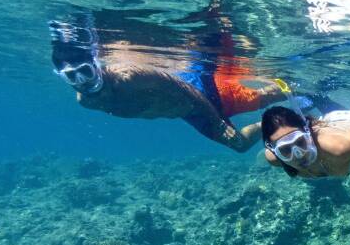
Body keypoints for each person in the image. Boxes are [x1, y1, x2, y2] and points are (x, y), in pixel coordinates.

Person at [50, 9, 288, 152]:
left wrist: (217, 124)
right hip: (188, 112)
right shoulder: (85, 101)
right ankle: (276, 116)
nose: (81, 81)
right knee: (240, 145)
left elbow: (184, 88)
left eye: (85, 71)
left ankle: (297, 92)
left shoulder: (130, 76)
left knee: (265, 98)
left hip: (202, 93)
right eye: (71, 76)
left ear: (96, 66)